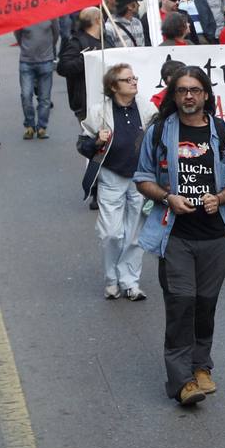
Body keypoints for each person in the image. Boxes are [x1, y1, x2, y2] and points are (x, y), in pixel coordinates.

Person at [134, 66, 225, 405]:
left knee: (205, 305)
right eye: (182, 90)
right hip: (175, 237)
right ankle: (181, 379)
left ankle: (202, 367)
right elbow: (142, 178)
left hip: (216, 239)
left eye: (195, 90)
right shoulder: (158, 133)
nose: (188, 96)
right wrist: (168, 196)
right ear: (174, 94)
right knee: (181, 304)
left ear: (205, 95)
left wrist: (221, 197)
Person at [80, 63, 157, 301]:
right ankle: (111, 279)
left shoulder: (147, 108)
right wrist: (96, 141)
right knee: (112, 233)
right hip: (111, 176)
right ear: (114, 86)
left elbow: (157, 138)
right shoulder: (98, 112)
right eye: (128, 79)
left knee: (135, 235)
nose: (134, 82)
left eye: (134, 78)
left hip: (140, 178)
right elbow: (82, 146)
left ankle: (130, 282)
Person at [57, 7, 103, 121]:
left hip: (106, 98)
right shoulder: (76, 43)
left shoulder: (106, 41)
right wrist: (86, 59)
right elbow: (63, 67)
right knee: (93, 137)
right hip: (86, 103)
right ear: (97, 20)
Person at [15, 18, 59, 139]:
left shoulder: (51, 14)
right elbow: (18, 35)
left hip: (46, 61)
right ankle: (29, 125)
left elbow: (56, 34)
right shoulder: (23, 14)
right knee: (26, 95)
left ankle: (42, 127)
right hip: (26, 62)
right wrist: (26, 49)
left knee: (45, 98)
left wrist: (48, 50)